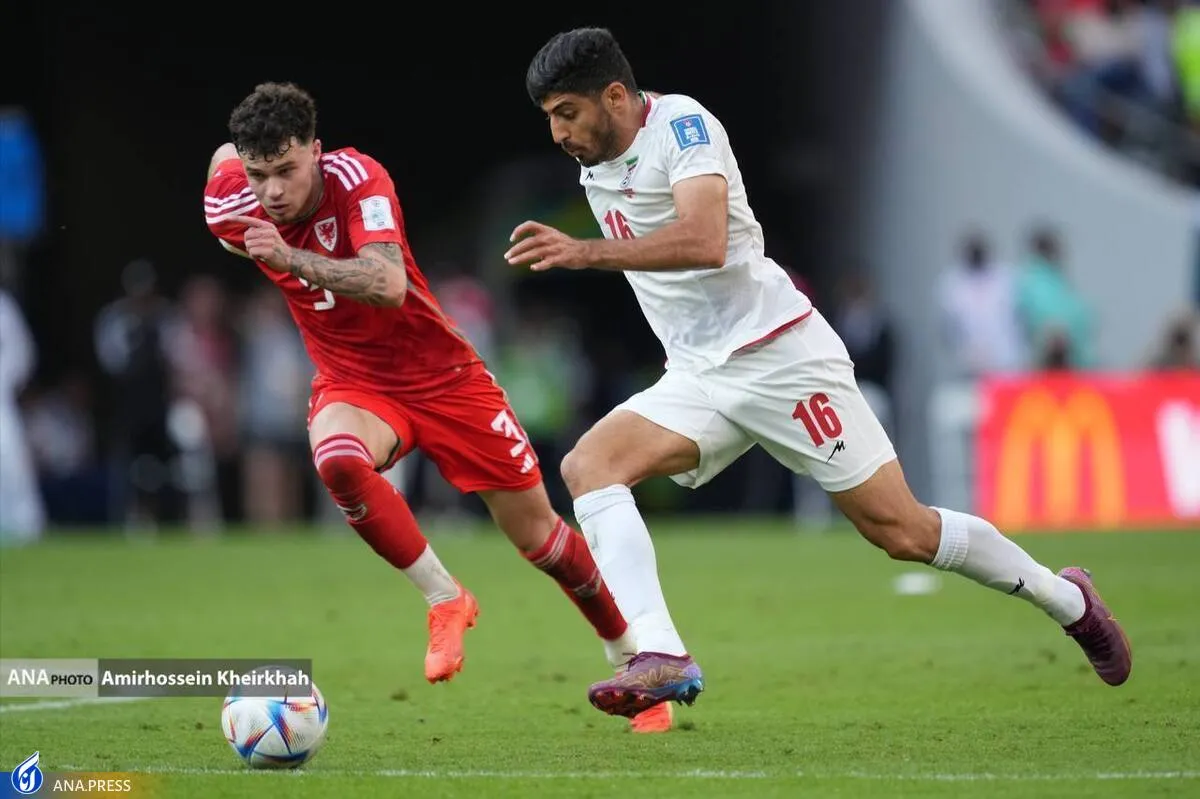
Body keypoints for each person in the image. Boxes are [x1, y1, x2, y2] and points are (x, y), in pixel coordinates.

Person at [507, 28, 1133, 720]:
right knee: (590, 466)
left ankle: (1067, 599)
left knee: (903, 531)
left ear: (615, 96)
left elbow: (707, 241)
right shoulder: (596, 163)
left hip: (781, 357)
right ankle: (661, 652)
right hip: (700, 375)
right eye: (550, 118)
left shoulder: (683, 127)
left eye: (567, 113)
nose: (559, 133)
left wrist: (585, 253)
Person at [203, 82, 671, 732]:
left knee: (541, 539)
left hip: (446, 379)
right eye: (260, 176)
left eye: (286, 169)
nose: (273, 191)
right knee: (338, 461)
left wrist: (290, 258)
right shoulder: (231, 202)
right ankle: (445, 597)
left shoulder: (358, 179)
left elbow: (388, 284)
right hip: (354, 382)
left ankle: (631, 659)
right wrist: (244, 189)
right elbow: (221, 163)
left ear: (316, 149)